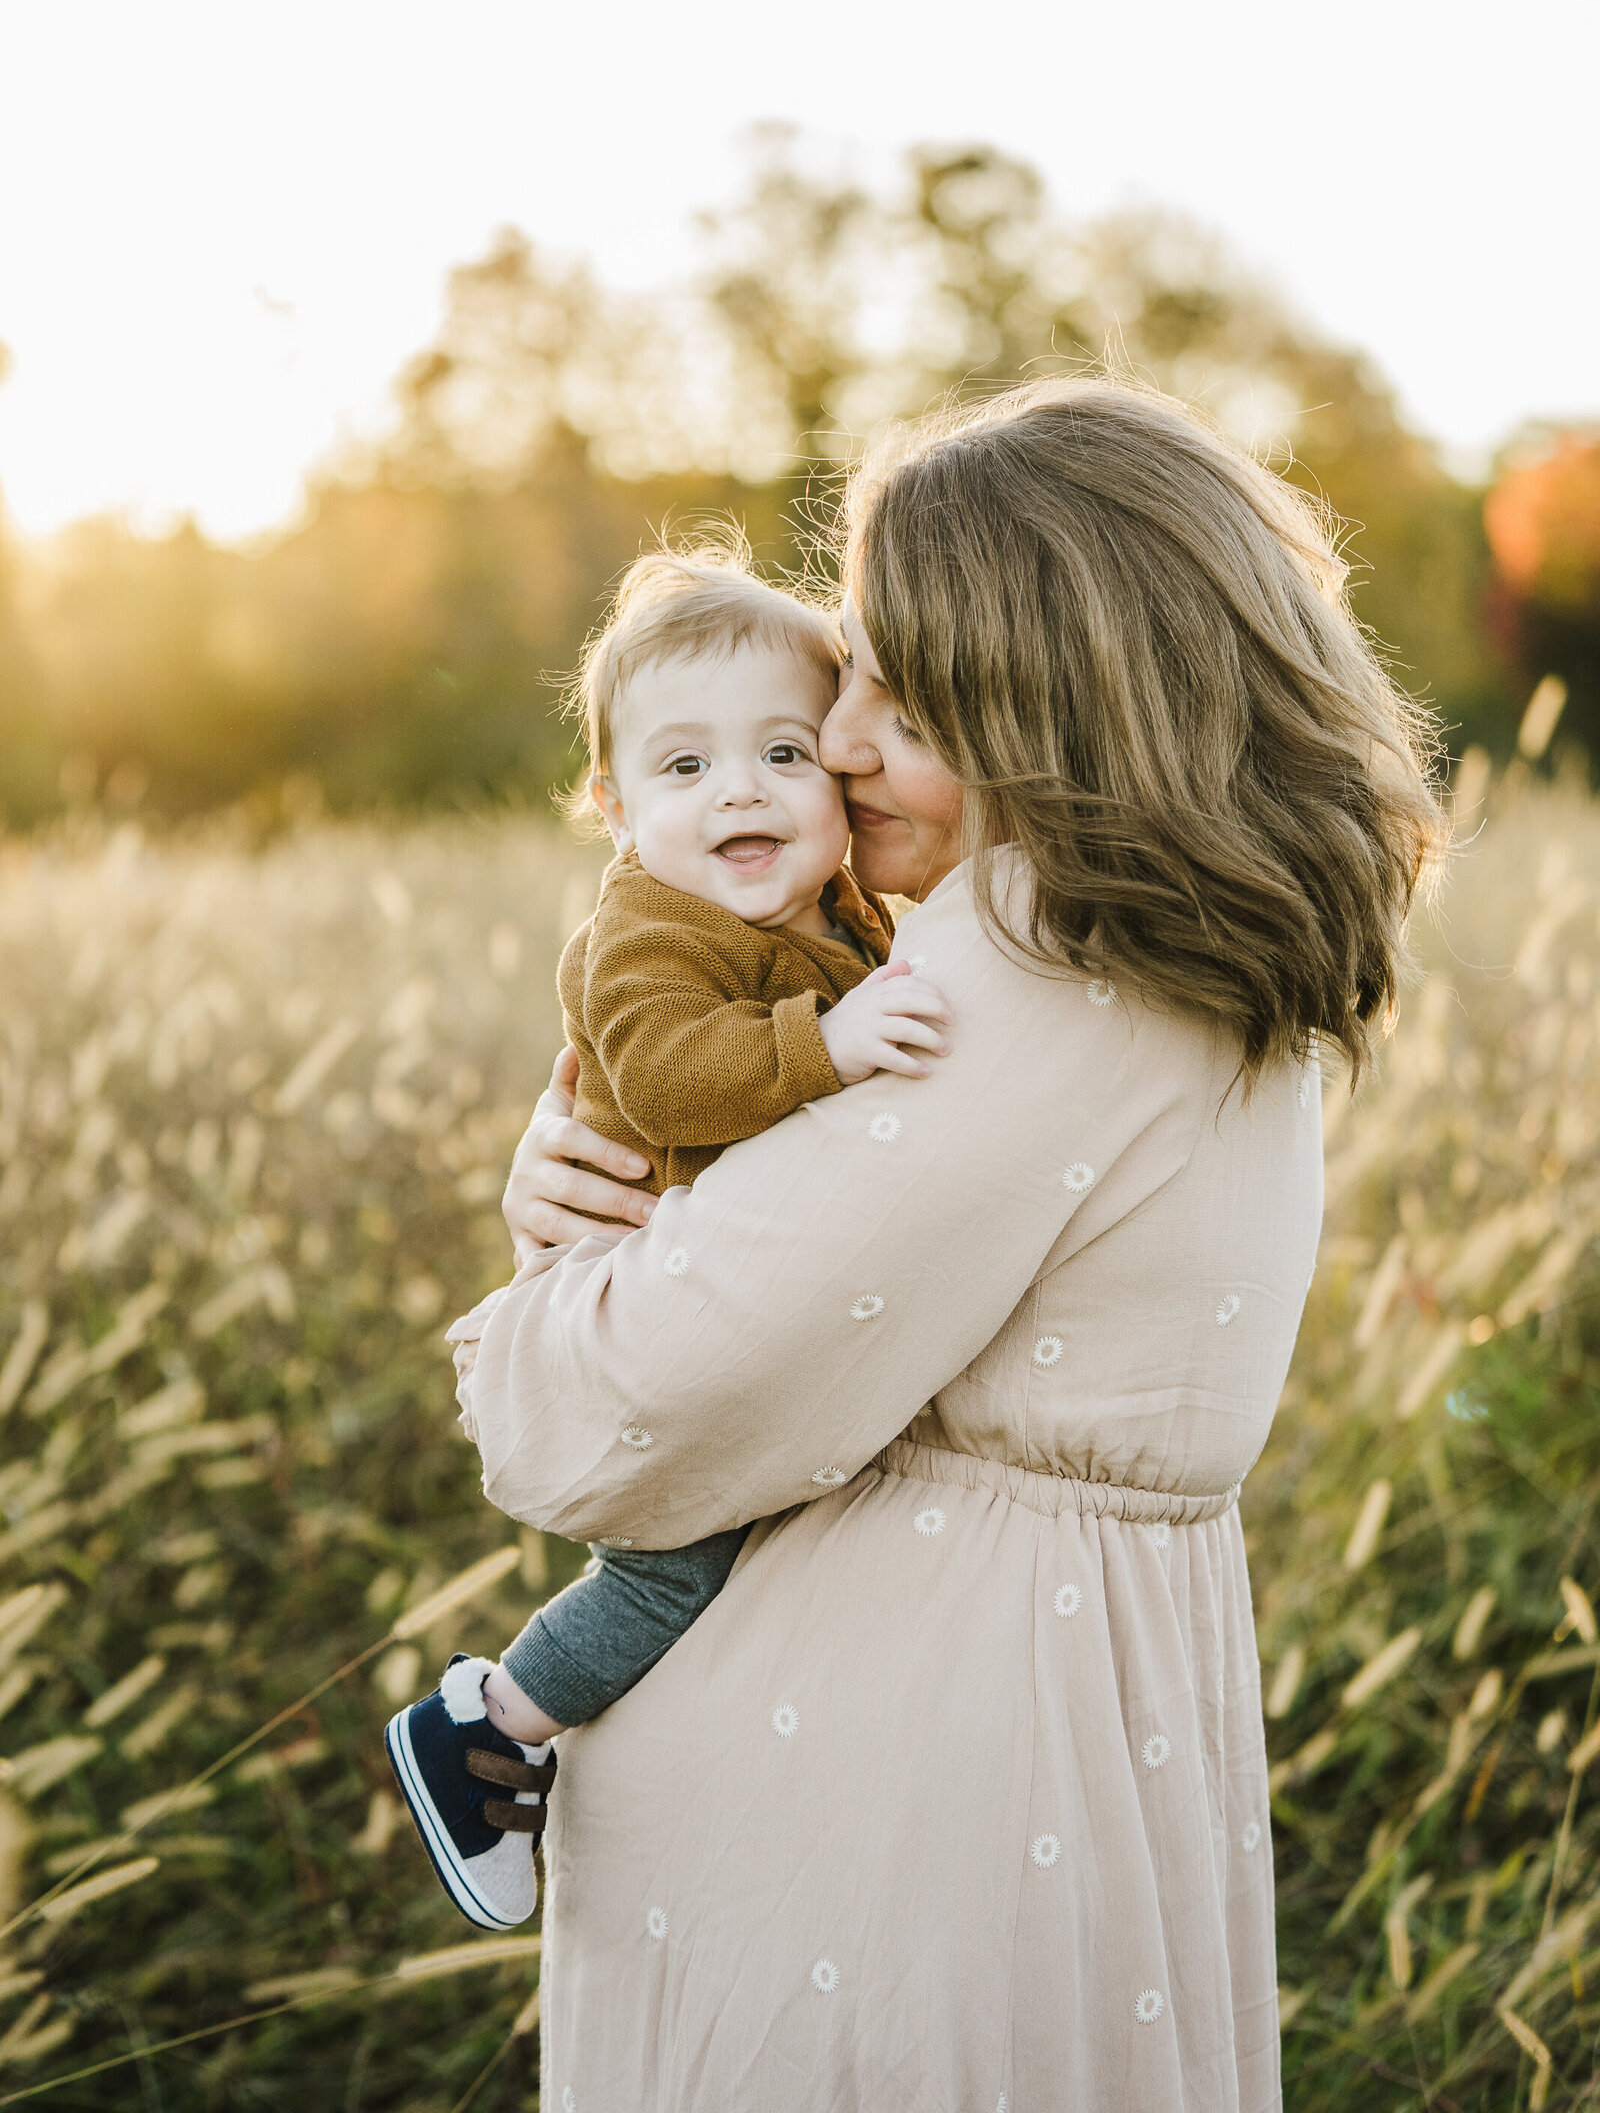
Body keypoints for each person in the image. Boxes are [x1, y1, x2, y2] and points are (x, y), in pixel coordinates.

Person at [452, 379, 1445, 2110]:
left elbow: (624, 1403)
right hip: (1069, 1735)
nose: (833, 747)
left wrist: (557, 1287)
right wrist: (607, 1162)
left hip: (890, 1793)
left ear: (1042, 711)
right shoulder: (1192, 965)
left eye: (893, 703)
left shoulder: (1030, 968)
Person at [385, 549, 950, 1932]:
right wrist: (828, 1042)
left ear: (839, 780)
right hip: (654, 1310)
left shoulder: (838, 913)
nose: (740, 790)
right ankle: (489, 1721)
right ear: (616, 810)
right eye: (684, 769)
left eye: (780, 752)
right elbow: (670, 1081)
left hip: (745, 1297)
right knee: (674, 1566)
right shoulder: (648, 930)